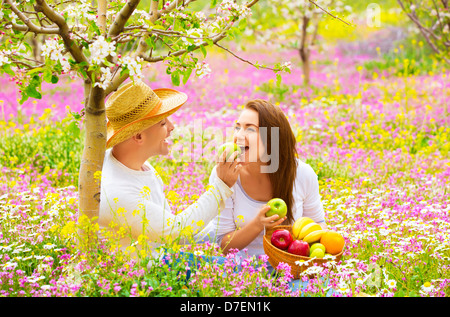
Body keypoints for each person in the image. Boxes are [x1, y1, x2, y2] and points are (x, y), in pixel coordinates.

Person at [98, 80, 241, 261]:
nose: (172, 127)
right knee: (236, 270)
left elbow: (169, 230)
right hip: (141, 278)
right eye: (162, 123)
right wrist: (221, 186)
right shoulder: (117, 191)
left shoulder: (137, 165)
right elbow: (173, 231)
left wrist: (225, 233)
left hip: (160, 256)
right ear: (139, 136)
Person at [196, 99, 328, 292]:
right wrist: (258, 224)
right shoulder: (225, 174)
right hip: (241, 270)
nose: (239, 136)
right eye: (237, 127)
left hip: (290, 270)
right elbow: (223, 245)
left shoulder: (302, 174)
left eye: (250, 129)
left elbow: (318, 224)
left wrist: (317, 255)